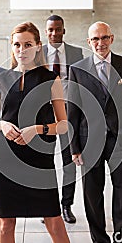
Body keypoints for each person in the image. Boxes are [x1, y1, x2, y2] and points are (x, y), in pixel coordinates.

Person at [0, 22, 71, 243]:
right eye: (17, 45)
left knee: (54, 222)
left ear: (38, 46)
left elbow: (63, 125)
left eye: (27, 44)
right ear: (11, 47)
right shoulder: (0, 80)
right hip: (4, 159)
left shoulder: (51, 78)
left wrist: (37, 129)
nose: (22, 50)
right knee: (5, 224)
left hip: (39, 161)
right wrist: (2, 125)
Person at [68, 21, 122, 243]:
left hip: (121, 141)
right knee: (92, 194)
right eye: (95, 39)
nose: (100, 43)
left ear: (112, 38)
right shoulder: (77, 69)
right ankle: (100, 242)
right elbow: (73, 112)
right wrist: (74, 148)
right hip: (89, 141)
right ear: (89, 42)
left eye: (104, 38)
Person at [43, 14, 83, 223]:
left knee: (69, 160)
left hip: (69, 111)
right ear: (45, 31)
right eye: (50, 30)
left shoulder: (76, 53)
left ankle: (66, 205)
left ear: (63, 30)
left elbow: (81, 84)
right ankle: (47, 207)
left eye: (58, 29)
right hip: (44, 111)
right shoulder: (38, 53)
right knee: (45, 160)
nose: (54, 33)